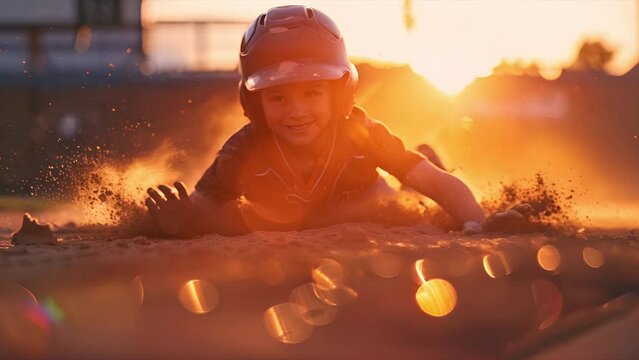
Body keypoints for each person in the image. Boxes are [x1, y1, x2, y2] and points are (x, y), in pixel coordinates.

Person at [144, 5, 489, 237]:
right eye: (278, 97)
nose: (296, 111)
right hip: (314, 214)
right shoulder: (242, 150)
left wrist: (479, 223)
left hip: (384, 206)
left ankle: (424, 153)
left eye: (312, 94)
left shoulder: (362, 133)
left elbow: (440, 184)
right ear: (252, 101)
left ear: (341, 94)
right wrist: (180, 218)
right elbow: (202, 210)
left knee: (412, 200)